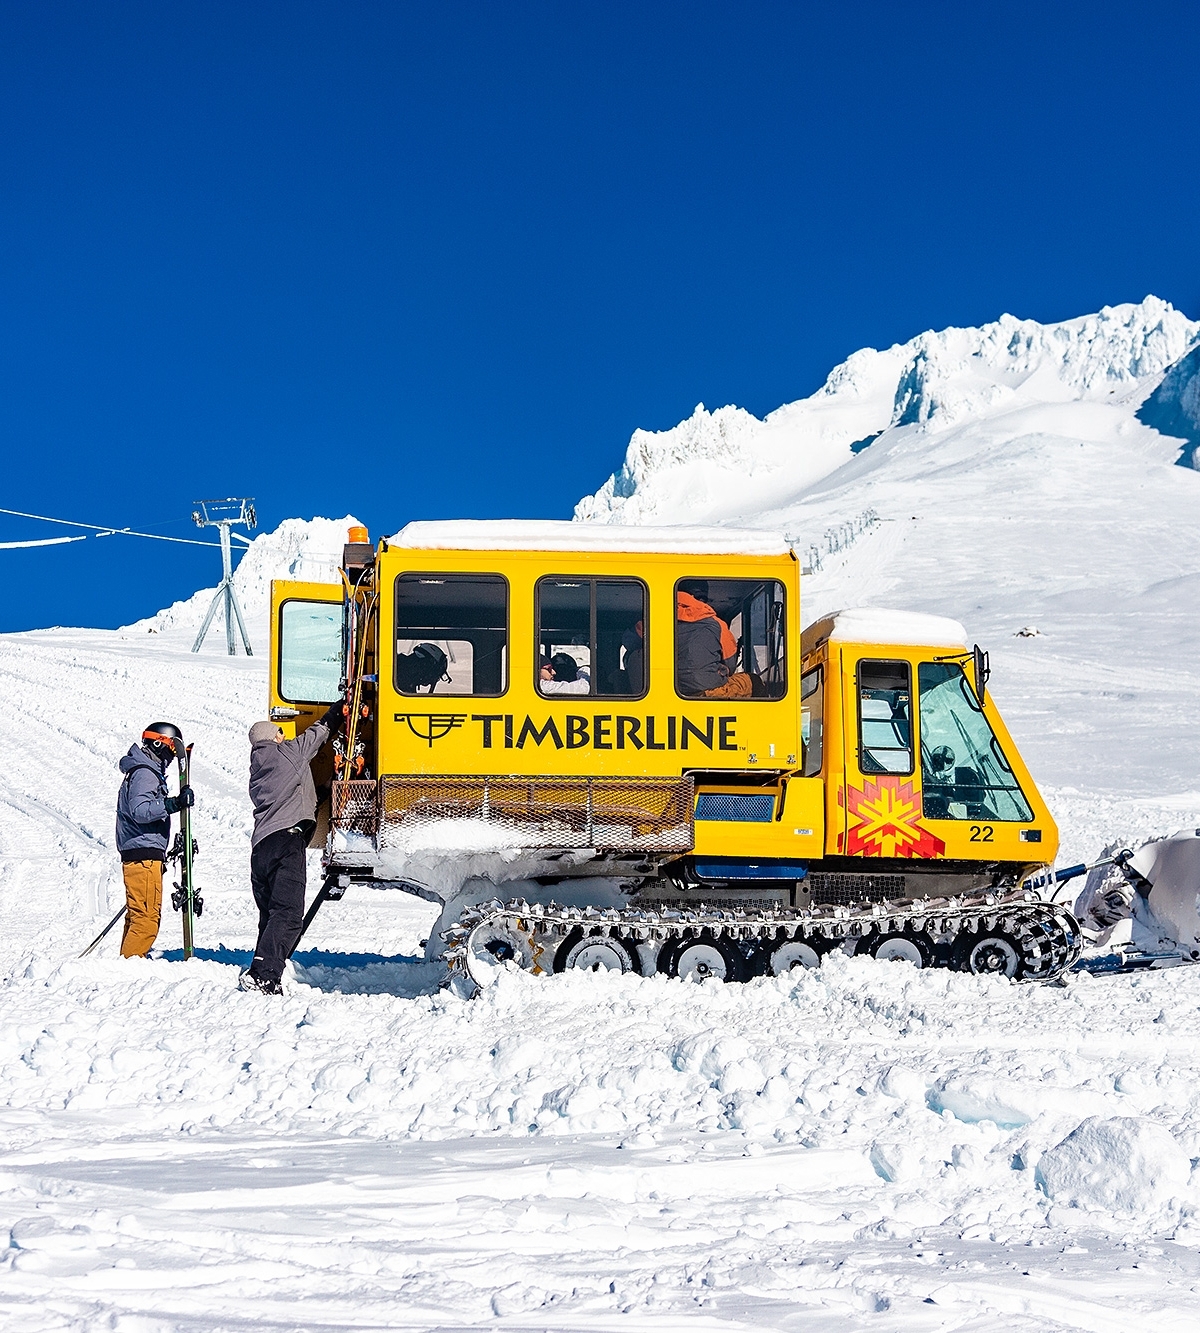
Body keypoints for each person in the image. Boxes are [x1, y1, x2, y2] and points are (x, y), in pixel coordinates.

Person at [241, 703, 342, 995]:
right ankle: (263, 976)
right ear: (274, 738)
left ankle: (263, 966)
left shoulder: (259, 769)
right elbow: (320, 731)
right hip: (286, 843)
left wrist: (326, 786)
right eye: (280, 734)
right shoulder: (289, 753)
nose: (284, 737)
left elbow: (295, 796)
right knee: (287, 914)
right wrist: (340, 707)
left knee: (271, 916)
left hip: (261, 848)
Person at [114, 722, 193, 958]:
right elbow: (140, 810)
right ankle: (128, 970)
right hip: (143, 856)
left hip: (142, 854)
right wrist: (173, 804)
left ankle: (126, 964)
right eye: (171, 751)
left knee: (138, 917)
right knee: (146, 922)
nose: (171, 758)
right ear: (159, 744)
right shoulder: (145, 773)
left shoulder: (143, 771)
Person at [675, 580, 753, 699]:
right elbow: (730, 664)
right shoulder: (717, 624)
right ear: (704, 597)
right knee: (752, 681)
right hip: (708, 691)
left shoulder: (657, 620)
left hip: (668, 689)